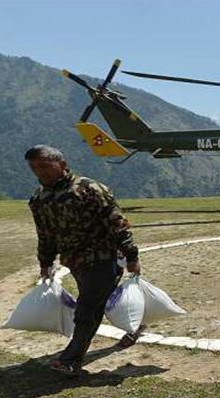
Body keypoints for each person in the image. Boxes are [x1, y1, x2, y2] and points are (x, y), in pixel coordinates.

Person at [26, 145, 142, 375]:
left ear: (62, 164)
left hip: (104, 258)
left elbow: (117, 222)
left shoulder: (89, 189)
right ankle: (137, 326)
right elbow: (45, 234)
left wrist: (131, 255)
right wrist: (45, 262)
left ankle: (71, 359)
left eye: (45, 166)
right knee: (101, 302)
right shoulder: (40, 198)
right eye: (35, 168)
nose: (41, 172)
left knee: (88, 308)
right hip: (75, 262)